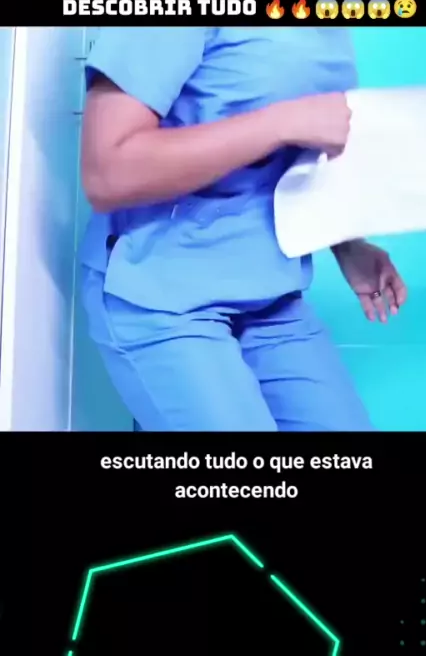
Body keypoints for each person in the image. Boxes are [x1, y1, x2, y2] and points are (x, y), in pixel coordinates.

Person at [80, 27, 407, 432]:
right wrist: (279, 123)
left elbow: (298, 151)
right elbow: (107, 172)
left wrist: (346, 244)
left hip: (270, 293)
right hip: (160, 292)